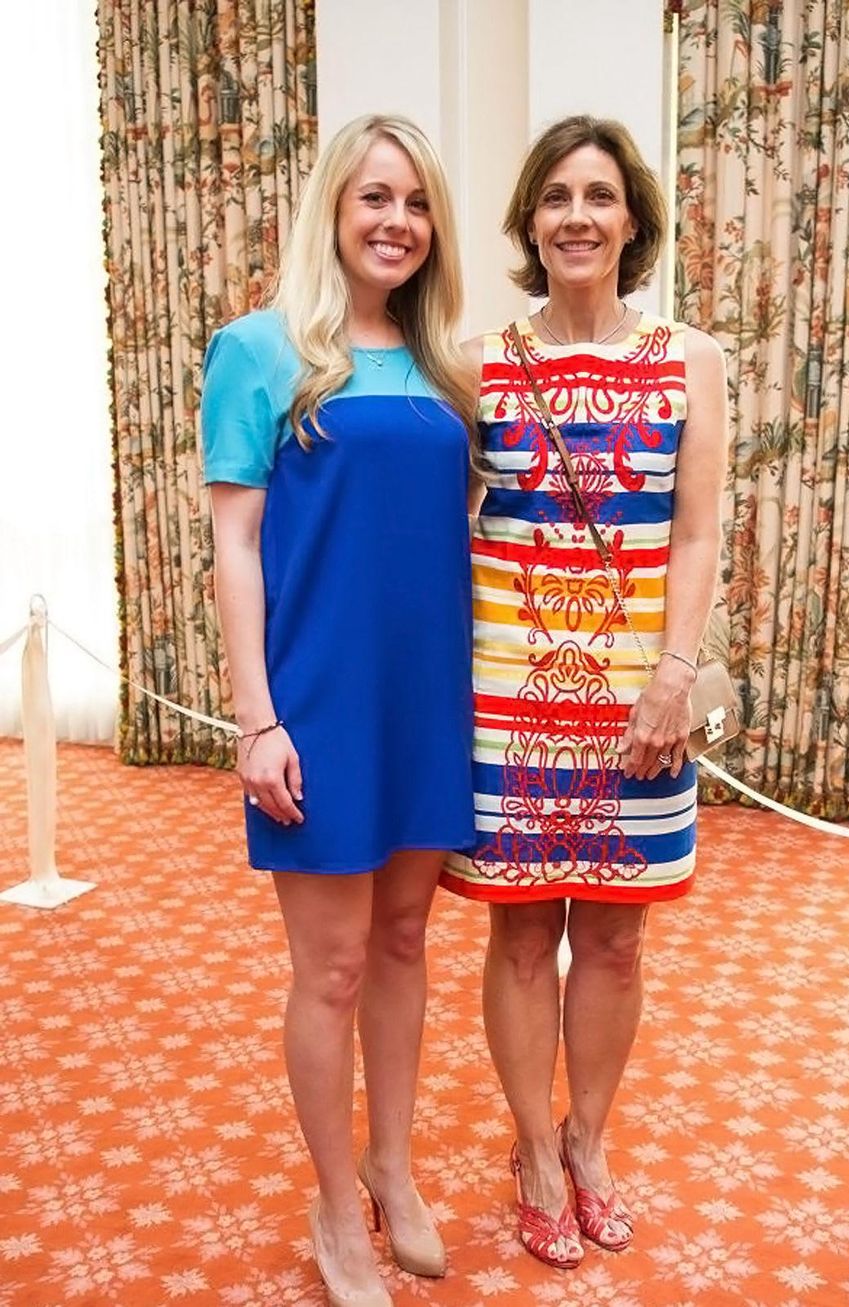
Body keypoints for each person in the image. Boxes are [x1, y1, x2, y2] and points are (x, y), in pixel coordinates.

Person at [442, 115, 728, 1268]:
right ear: (526, 221)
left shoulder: (689, 358)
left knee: (612, 941)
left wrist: (670, 675)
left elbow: (698, 527)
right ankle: (530, 1148)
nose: (575, 216)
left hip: (636, 700)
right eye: (554, 196)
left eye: (598, 196)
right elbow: (437, 522)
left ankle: (589, 1138)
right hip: (506, 688)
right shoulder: (475, 360)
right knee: (518, 936)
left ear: (631, 220)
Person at [201, 114, 476, 1307]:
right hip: (316, 700)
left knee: (407, 940)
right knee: (329, 967)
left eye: (413, 204)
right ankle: (330, 1200)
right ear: (332, 206)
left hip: (426, 699)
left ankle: (390, 1164)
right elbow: (234, 540)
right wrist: (258, 718)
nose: (394, 223)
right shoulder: (259, 348)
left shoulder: (445, 365)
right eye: (373, 198)